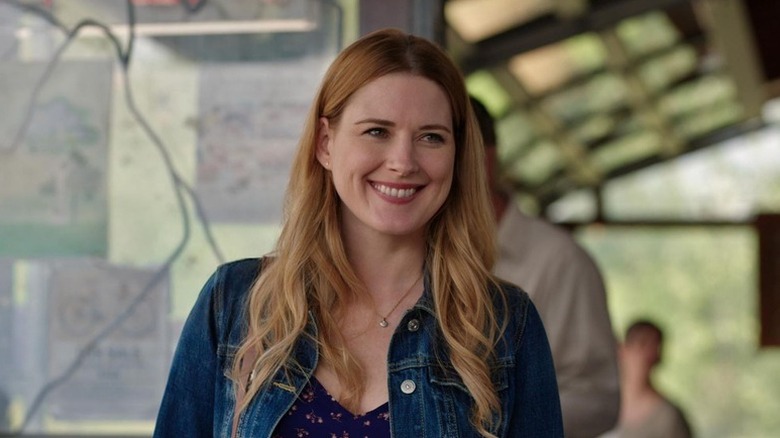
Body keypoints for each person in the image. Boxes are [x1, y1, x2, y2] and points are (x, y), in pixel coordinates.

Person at [154, 29, 563, 437]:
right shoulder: (234, 302)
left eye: (431, 137)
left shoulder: (505, 323)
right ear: (326, 144)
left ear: (457, 155)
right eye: (377, 131)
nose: (403, 162)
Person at [471, 97, 620, 437]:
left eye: (436, 140)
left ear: (485, 159)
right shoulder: (412, 253)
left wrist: (482, 421)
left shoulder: (560, 260)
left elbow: (597, 400)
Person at [604, 320, 692, 438]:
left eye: (653, 348)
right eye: (642, 344)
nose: (646, 356)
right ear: (622, 350)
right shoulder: (602, 408)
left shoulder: (667, 417)